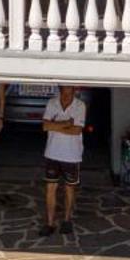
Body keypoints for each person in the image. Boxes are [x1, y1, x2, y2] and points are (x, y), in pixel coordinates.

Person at [40, 85, 89, 237]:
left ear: (74, 90)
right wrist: (66, 123)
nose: (67, 93)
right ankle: (49, 223)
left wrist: (55, 125)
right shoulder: (52, 103)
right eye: (64, 90)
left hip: (71, 154)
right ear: (61, 89)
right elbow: (45, 126)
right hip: (52, 152)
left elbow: (77, 130)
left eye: (70, 90)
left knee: (69, 188)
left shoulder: (80, 105)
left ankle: (67, 220)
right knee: (50, 188)